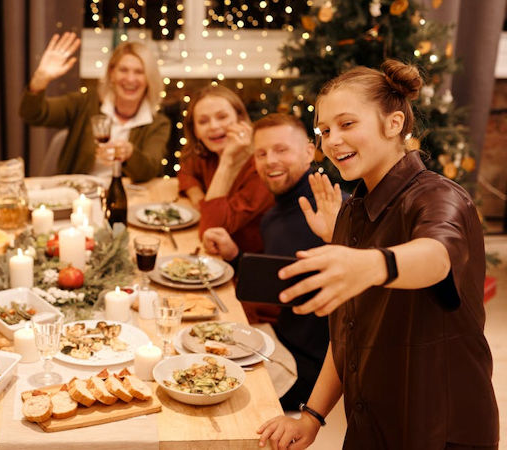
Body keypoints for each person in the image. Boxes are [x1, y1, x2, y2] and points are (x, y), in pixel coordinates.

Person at [257, 60, 499, 449]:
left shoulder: (439, 197)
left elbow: (436, 257)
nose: (332, 140)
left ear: (394, 124)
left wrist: (371, 262)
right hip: (371, 422)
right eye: (324, 130)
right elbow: (349, 335)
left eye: (347, 124)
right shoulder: (353, 212)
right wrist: (312, 416)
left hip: (439, 428)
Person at [203, 113, 344, 411]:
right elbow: (281, 277)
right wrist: (235, 256)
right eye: (262, 153)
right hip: (280, 339)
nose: (270, 161)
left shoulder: (334, 209)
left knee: (212, 392)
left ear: (309, 151)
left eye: (282, 150)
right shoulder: (273, 216)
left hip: (316, 368)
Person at [20, 32, 170, 182]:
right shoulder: (85, 103)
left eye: (139, 72)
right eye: (123, 70)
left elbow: (150, 170)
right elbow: (33, 114)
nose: (130, 79)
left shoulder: (158, 124)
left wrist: (130, 154)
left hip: (125, 197)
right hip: (79, 195)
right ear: (111, 73)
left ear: (149, 78)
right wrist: (40, 80)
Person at [178, 85, 274, 257]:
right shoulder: (209, 152)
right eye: (203, 121)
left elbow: (210, 230)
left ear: (240, 119)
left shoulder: (262, 167)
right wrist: (198, 198)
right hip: (217, 255)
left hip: (246, 263)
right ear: (195, 131)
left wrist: (227, 162)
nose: (214, 126)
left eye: (222, 117)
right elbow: (186, 170)